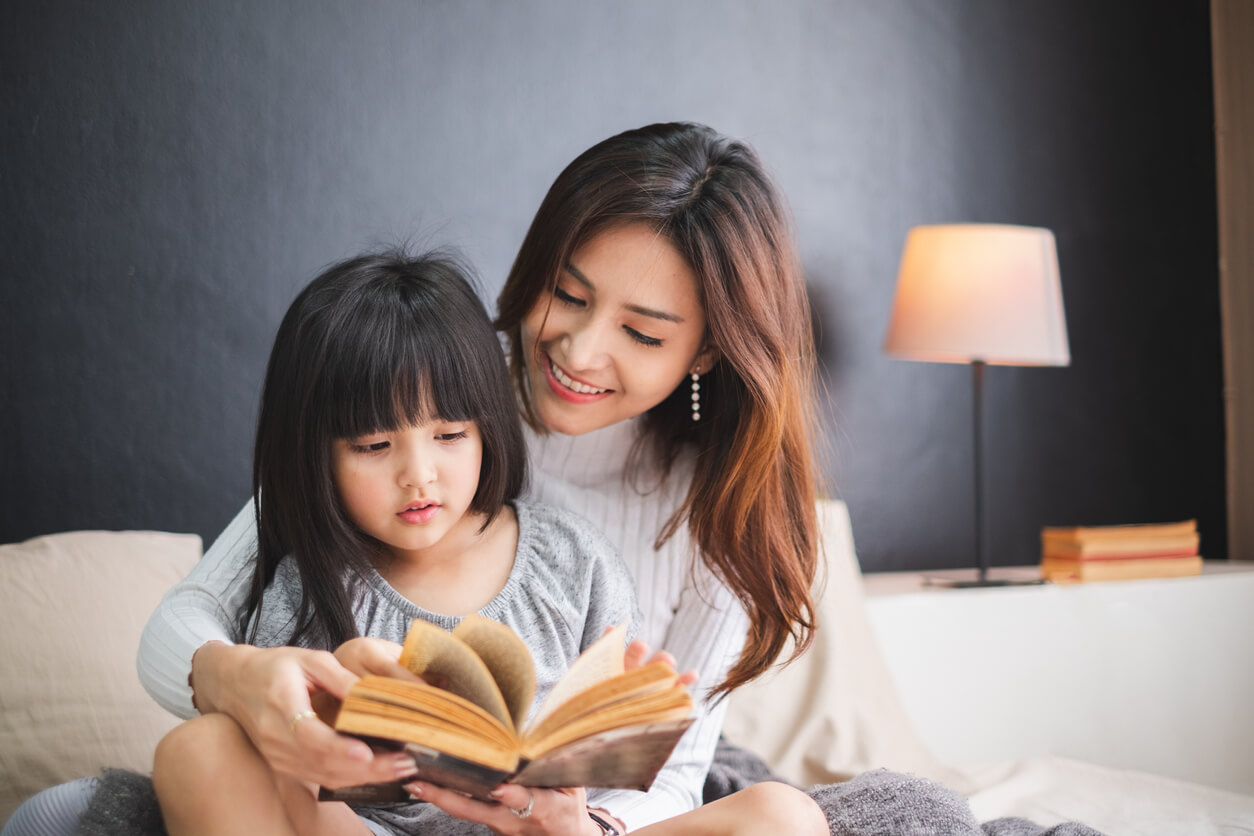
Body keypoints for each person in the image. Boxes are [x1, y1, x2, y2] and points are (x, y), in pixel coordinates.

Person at [6, 122, 886, 835]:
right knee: (114, 791)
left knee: (781, 816)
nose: (579, 352)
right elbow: (190, 620)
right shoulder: (430, 390)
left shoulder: (716, 510)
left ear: (708, 350)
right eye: (569, 296)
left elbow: (675, 772)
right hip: (367, 813)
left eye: (644, 334)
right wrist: (250, 686)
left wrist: (578, 824)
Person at [154, 248, 670, 835]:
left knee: (775, 813)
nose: (418, 474)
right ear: (315, 456)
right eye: (374, 447)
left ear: (487, 428)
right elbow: (277, 762)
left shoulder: (573, 561)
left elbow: (627, 770)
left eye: (450, 434)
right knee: (202, 747)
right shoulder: (311, 584)